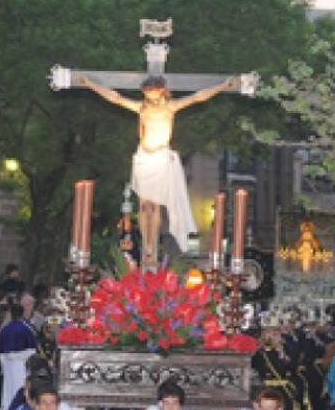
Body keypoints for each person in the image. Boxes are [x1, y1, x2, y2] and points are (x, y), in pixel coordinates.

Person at [79, 74, 240, 267]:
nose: (150, 95)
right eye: (147, 92)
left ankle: (150, 247)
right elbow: (115, 98)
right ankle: (146, 242)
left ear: (162, 90)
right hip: (143, 159)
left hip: (160, 158)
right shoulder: (142, 108)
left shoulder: (170, 108)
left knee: (154, 206)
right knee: (143, 205)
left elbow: (198, 97)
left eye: (153, 91)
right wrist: (90, 84)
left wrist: (222, 86)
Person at [0, 303, 38, 410]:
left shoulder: (4, 329)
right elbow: (32, 350)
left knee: (8, 391)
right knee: (22, 388)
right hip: (23, 364)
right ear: (22, 313)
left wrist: (3, 366)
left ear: (11, 314)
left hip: (8, 364)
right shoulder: (27, 328)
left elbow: (0, 352)